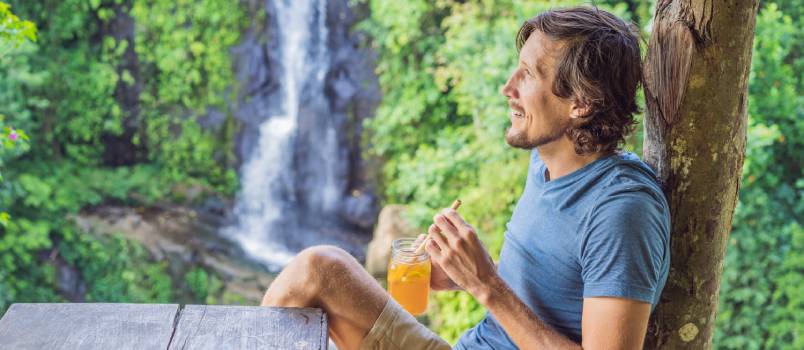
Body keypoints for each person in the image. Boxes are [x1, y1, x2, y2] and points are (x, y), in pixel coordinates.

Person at [261, 6, 670, 350]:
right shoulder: (548, 162)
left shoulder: (622, 211)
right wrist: (466, 274)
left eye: (527, 75)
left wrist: (486, 284)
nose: (507, 87)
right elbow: (548, 291)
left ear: (580, 104)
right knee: (317, 269)